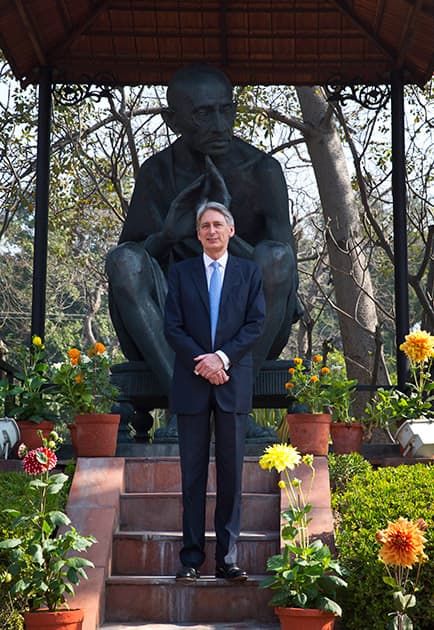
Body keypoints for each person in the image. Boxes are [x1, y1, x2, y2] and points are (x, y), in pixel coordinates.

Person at [106, 62, 301, 397]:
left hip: (246, 319)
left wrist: (223, 233)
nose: (219, 125)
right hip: (173, 316)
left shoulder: (262, 171)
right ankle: (185, 401)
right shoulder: (157, 172)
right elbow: (130, 265)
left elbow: (285, 274)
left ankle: (233, 396)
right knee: (123, 260)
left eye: (226, 111)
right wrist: (169, 236)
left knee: (276, 256)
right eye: (203, 114)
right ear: (173, 120)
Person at [164, 201, 265, 582]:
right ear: (198, 233)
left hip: (232, 383)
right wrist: (203, 362)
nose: (211, 231)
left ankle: (228, 559)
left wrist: (221, 359)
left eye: (217, 225)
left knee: (230, 476)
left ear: (231, 231)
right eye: (205, 225)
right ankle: (191, 560)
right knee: (191, 476)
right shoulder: (181, 273)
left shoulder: (250, 273)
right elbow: (172, 327)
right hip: (191, 385)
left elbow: (256, 325)